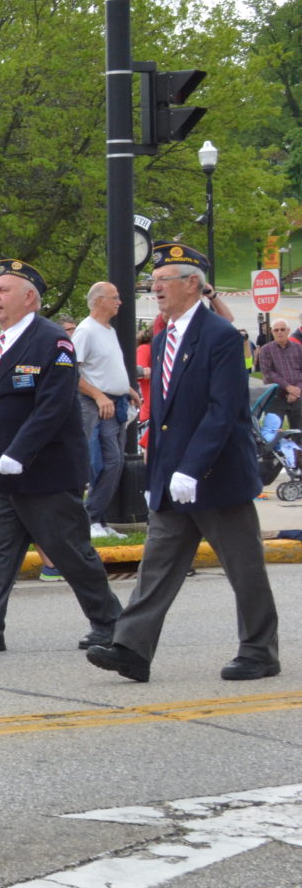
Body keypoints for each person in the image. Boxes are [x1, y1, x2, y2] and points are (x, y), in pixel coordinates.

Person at [89, 243, 280, 684]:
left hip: (215, 476)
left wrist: (191, 469)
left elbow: (224, 410)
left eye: (163, 280)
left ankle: (259, 651)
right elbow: (167, 415)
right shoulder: (161, 339)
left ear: (191, 284)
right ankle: (131, 648)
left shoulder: (219, 337)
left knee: (244, 568)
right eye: (152, 281)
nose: (154, 288)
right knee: (156, 567)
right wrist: (159, 474)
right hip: (172, 478)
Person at [0, 260, 119, 656]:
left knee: (70, 550)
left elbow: (53, 406)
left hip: (44, 474)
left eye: (4, 290)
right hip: (3, 476)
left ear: (29, 297)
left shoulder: (52, 341)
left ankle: (111, 623)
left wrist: (19, 452)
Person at [72, 280, 137, 537]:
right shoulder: (85, 331)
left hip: (115, 402)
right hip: (97, 406)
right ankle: (90, 518)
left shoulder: (107, 330)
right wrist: (99, 396)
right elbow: (70, 373)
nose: (119, 302)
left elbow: (105, 367)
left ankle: (98, 519)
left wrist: (127, 390)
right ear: (99, 300)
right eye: (115, 297)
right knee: (105, 462)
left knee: (114, 462)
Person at [255, 318, 302, 430]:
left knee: (298, 431)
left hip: (298, 396)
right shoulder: (266, 350)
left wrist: (297, 390)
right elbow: (268, 373)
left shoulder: (298, 348)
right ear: (272, 332)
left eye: (282, 329)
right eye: (276, 330)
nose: (279, 332)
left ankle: (297, 447)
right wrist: (288, 387)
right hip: (276, 397)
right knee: (273, 431)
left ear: (288, 331)